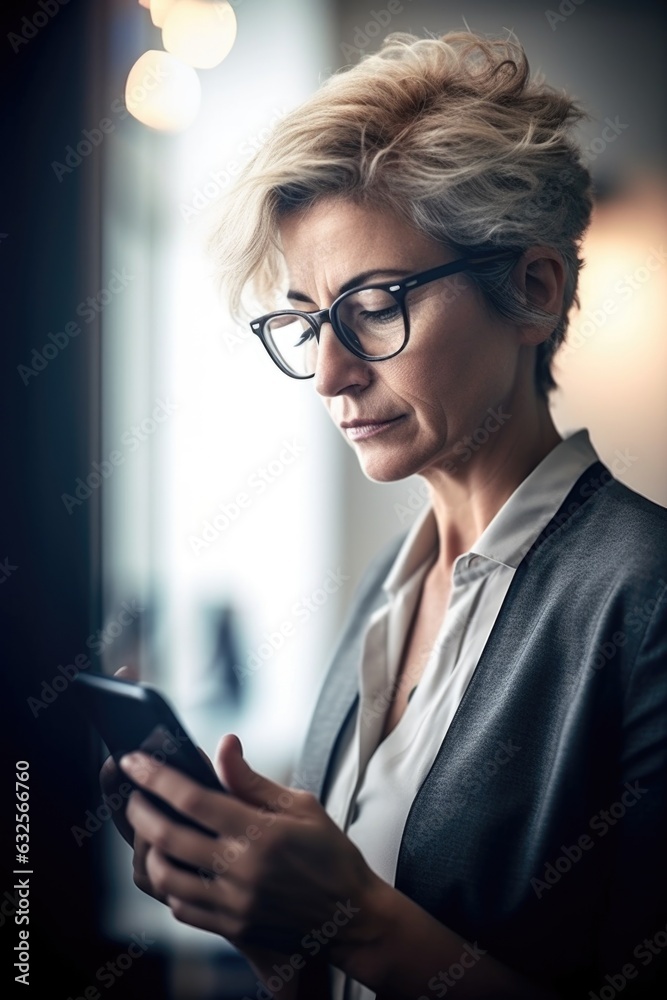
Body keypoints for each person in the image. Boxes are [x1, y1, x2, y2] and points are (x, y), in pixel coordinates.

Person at [101, 31, 667, 999]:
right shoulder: (381, 599)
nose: (328, 373)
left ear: (534, 290)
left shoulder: (643, 593)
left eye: (372, 305)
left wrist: (357, 915)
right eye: (308, 321)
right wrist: (266, 923)